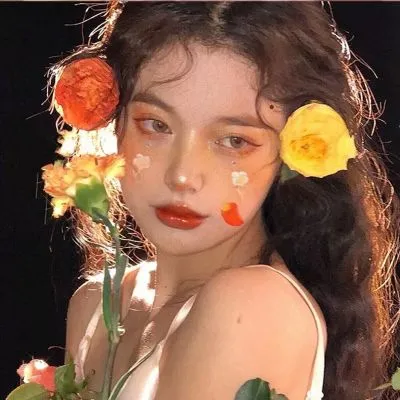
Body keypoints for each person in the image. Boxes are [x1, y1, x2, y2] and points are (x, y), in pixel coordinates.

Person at [49, 2, 400, 400]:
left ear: (291, 152)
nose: (183, 175)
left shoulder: (251, 307)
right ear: (115, 121)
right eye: (156, 125)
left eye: (234, 141)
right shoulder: (96, 305)